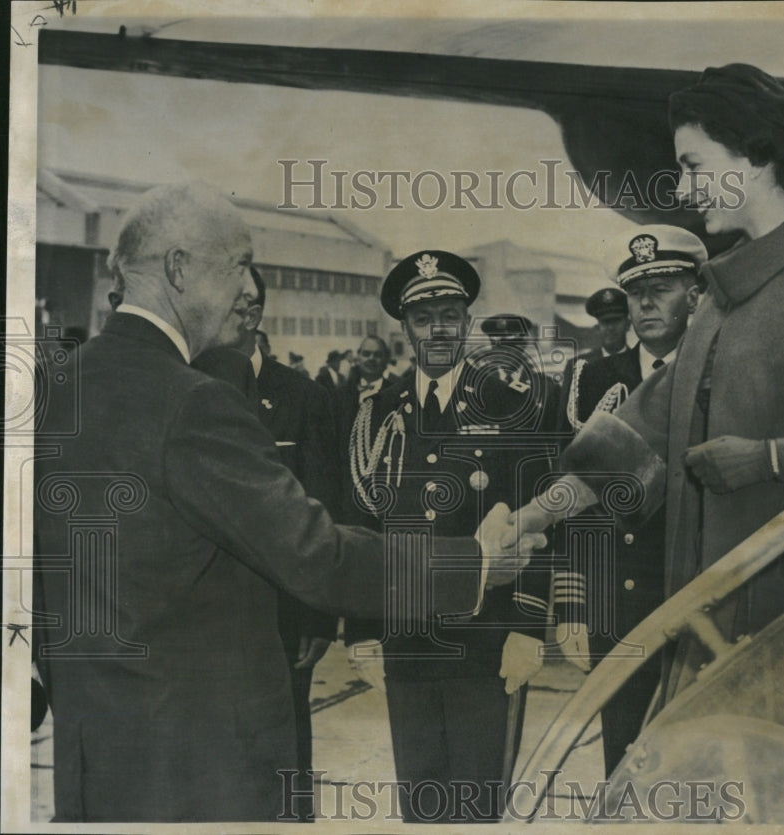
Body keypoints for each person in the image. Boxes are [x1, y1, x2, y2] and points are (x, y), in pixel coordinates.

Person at [32, 182, 541, 823]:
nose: (249, 289)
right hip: (200, 766)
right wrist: (476, 563)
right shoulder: (193, 400)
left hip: (97, 757)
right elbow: (318, 555)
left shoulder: (58, 385)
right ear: (179, 268)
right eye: (239, 264)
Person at [512, 63, 784, 706]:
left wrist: (773, 458)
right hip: (709, 631)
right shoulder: (721, 298)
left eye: (695, 165)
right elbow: (648, 423)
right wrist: (540, 511)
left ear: (757, 157)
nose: (682, 186)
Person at [344, 251, 554, 823]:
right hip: (407, 639)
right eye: (423, 317)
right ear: (405, 329)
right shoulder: (378, 411)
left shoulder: (512, 407)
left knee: (478, 805)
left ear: (465, 321)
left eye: (449, 313)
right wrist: (361, 630)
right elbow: (362, 525)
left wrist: (527, 626)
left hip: (488, 642)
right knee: (422, 803)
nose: (437, 328)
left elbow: (538, 519)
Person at [555, 225, 707, 776]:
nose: (644, 303)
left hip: (699, 597)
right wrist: (573, 604)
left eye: (662, 287)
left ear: (696, 294)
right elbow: (570, 501)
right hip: (616, 602)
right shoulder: (591, 381)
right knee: (622, 757)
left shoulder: (718, 374)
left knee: (697, 763)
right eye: (635, 291)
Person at [195, 267, 344, 812]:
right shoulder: (187, 385)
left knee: (282, 755)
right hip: (202, 614)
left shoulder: (303, 397)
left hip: (282, 615)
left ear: (255, 313)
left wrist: (319, 616)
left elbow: (327, 510)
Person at [558, 287, 630, 436]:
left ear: (628, 324)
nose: (610, 328)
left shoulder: (642, 361)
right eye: (605, 322)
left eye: (616, 321)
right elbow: (564, 424)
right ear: (597, 327)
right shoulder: (578, 366)